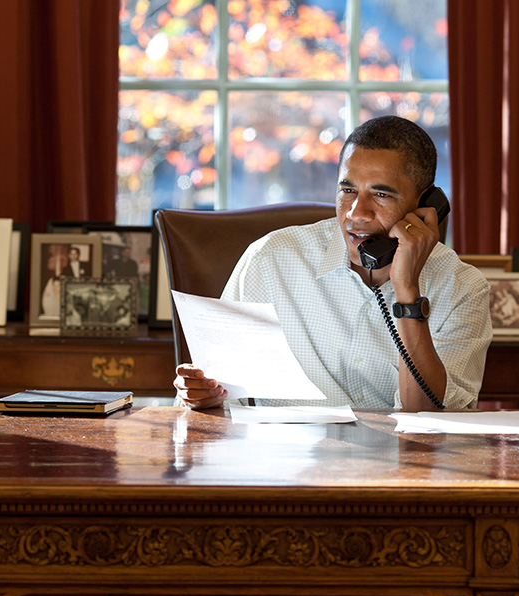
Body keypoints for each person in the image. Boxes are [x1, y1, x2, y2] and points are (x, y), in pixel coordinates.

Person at [173, 115, 492, 411]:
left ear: (425, 206)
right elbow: (211, 402)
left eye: (381, 195)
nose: (357, 213)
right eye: (348, 190)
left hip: (396, 469)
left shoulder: (463, 289)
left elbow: (430, 425)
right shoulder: (270, 261)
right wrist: (203, 396)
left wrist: (407, 289)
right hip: (282, 464)